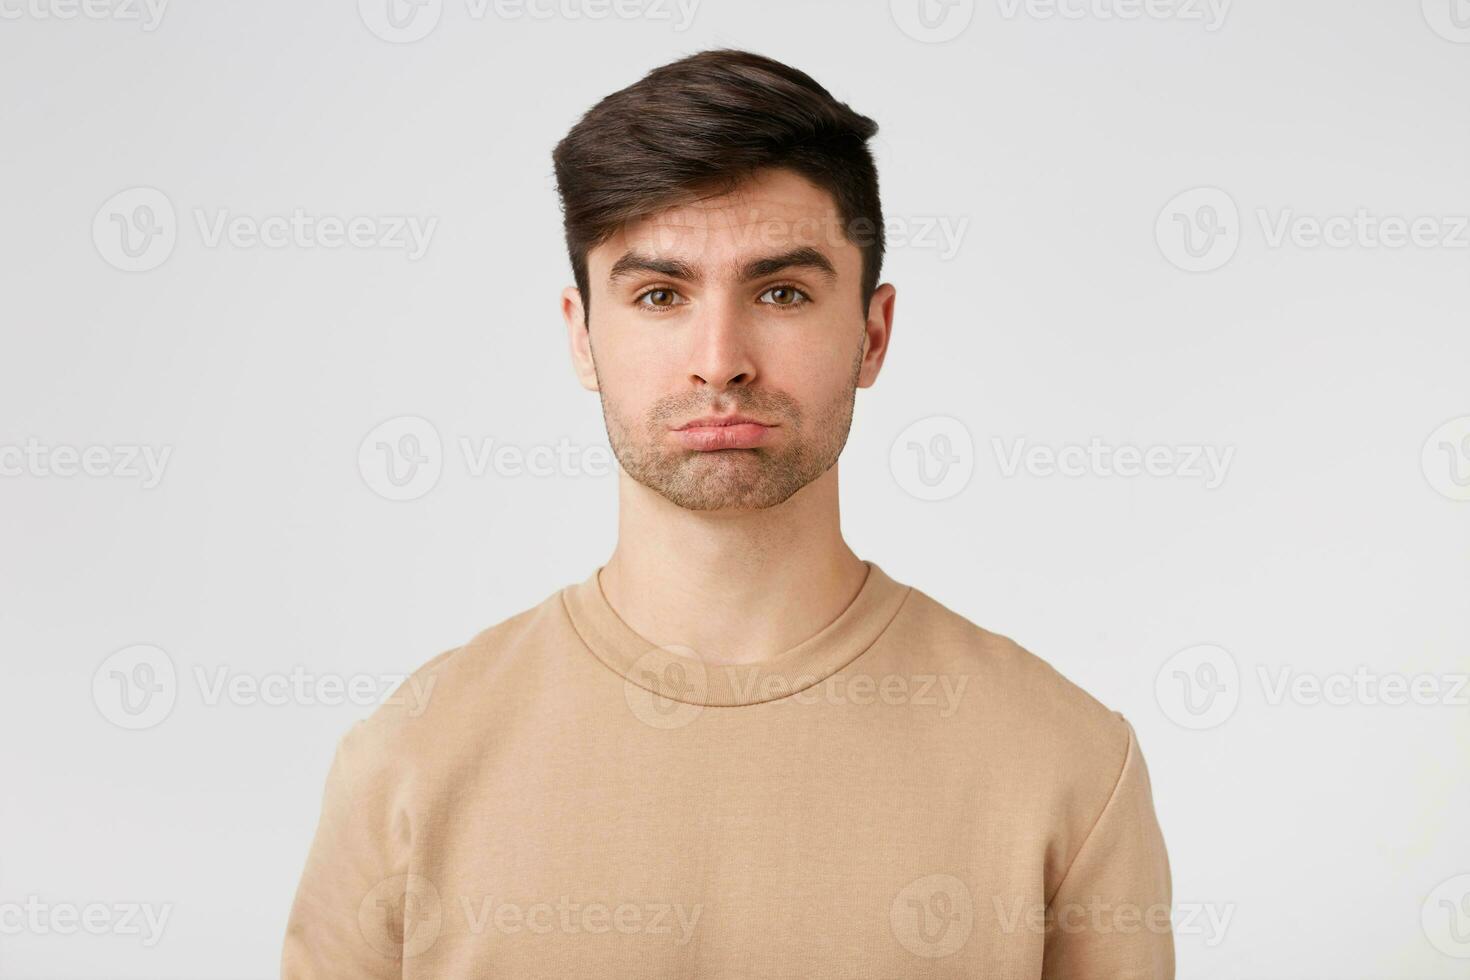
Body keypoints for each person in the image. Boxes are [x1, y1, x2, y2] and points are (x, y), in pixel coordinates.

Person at [282, 48, 1174, 978]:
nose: (721, 360)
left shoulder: (1067, 767)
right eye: (660, 295)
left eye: (781, 292)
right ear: (581, 338)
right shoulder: (405, 770)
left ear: (873, 334)